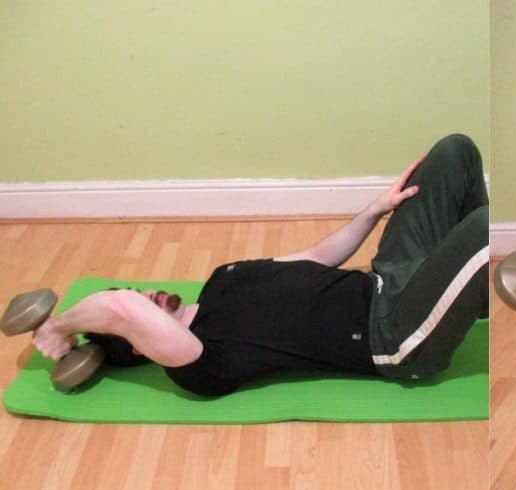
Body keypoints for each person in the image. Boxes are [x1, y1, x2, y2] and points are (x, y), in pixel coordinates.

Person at [31, 134, 489, 396]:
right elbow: (123, 310)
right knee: (486, 228)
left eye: (133, 289)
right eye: (133, 301)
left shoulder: (220, 281)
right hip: (395, 335)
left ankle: (477, 297)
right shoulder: (200, 362)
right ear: (138, 345)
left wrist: (374, 210)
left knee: (455, 154)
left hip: (385, 279)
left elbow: (313, 257)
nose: (141, 293)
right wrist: (58, 328)